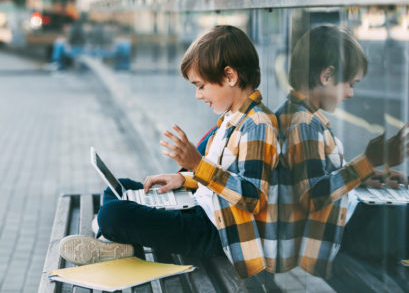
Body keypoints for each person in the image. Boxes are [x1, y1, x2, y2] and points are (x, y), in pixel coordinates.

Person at [59, 25, 280, 278]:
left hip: (216, 230)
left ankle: (120, 242)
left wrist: (197, 165)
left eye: (200, 86)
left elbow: (253, 197)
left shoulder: (258, 125)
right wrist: (182, 179)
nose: (198, 96)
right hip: (199, 206)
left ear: (230, 76)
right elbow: (220, 177)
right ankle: (122, 243)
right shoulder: (233, 118)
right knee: (118, 188)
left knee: (112, 213)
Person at [275, 25, 409, 278]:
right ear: (326, 76)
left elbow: (312, 179)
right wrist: (369, 161)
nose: (351, 93)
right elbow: (313, 197)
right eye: (351, 84)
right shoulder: (303, 125)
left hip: (338, 223)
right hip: (333, 235)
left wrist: (363, 176)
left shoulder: (297, 115)